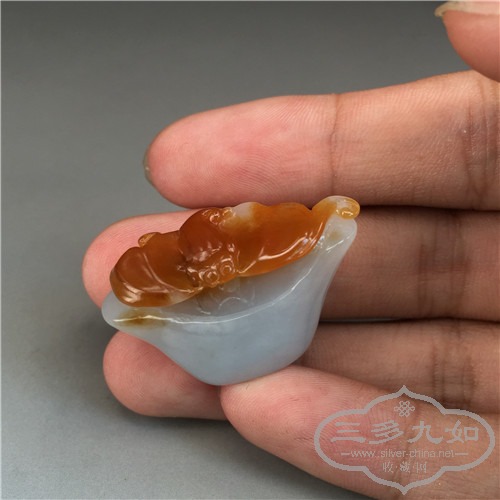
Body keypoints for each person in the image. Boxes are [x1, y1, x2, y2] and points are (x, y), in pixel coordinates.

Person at [82, 2, 499, 498]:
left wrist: (327, 228)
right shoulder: (164, 285)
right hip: (225, 333)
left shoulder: (289, 245)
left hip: (262, 318)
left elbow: (304, 237)